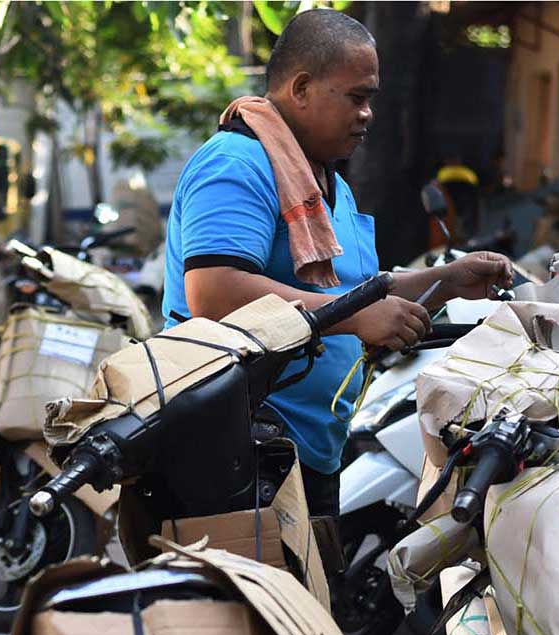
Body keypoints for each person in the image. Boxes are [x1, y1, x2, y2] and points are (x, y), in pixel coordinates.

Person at [161, 10, 511, 541]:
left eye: (371, 99)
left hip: (303, 448)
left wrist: (450, 281)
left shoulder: (322, 181)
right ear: (301, 87)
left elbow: (355, 293)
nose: (368, 114)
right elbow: (214, 290)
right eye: (356, 97)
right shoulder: (238, 163)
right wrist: (355, 317)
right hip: (237, 449)